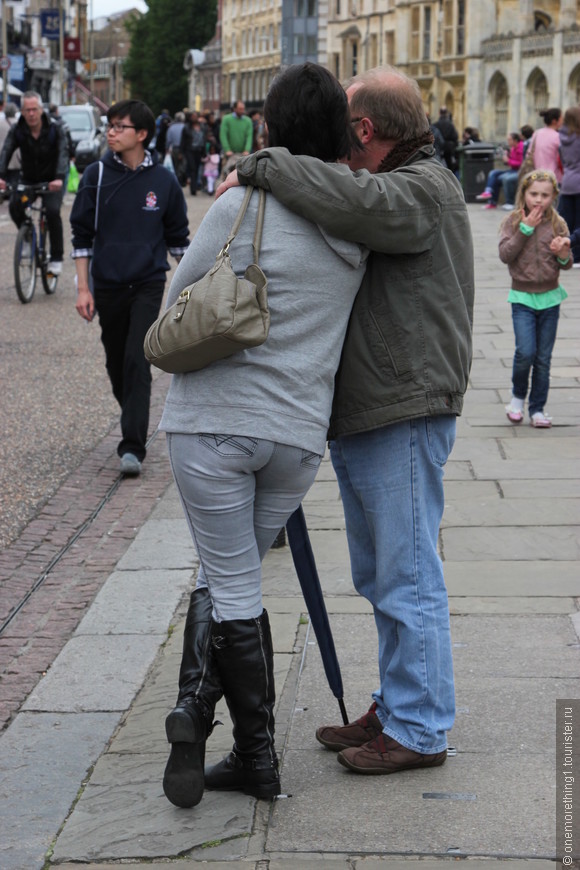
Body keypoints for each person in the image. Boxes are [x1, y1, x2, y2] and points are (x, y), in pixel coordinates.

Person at [220, 64, 474, 776]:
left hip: (404, 407)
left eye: (343, 125)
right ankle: (398, 704)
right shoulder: (409, 183)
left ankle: (421, 727)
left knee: (407, 575)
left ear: (362, 130)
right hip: (381, 407)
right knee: (382, 574)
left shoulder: (423, 187)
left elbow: (354, 201)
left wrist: (264, 161)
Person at [158, 62, 368, 809]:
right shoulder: (356, 222)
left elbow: (176, 301)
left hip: (214, 423)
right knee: (228, 576)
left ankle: (254, 757)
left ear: (270, 126)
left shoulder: (242, 204)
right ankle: (196, 712)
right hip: (297, 438)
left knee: (234, 584)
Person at [71, 99, 189, 477]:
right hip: (107, 284)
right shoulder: (95, 176)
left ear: (141, 134)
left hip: (147, 284)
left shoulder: (164, 181)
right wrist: (83, 289)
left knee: (138, 359)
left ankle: (132, 446)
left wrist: (194, 286)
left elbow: (178, 241)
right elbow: (82, 237)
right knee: (115, 362)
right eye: (109, 125)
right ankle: (133, 417)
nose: (111, 132)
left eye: (119, 126)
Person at [501, 170, 571, 428]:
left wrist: (563, 253)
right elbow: (505, 254)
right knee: (525, 352)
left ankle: (538, 409)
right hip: (522, 298)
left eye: (545, 195)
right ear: (524, 194)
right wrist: (524, 229)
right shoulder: (512, 221)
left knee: (543, 358)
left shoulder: (557, 223)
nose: (539, 200)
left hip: (551, 299)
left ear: (553, 196)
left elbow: (566, 264)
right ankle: (517, 398)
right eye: (534, 194)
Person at [0, 91, 68, 274]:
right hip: (28, 178)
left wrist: (59, 178)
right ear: (22, 111)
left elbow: (63, 153)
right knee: (15, 204)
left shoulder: (55, 129)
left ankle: (56, 257)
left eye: (34, 109)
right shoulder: (18, 130)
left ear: (41, 109)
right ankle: (28, 238)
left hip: (52, 179)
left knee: (53, 212)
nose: (31, 114)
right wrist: (1, 175)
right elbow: (6, 150)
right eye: (27, 110)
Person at [476, 132, 523, 210]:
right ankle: (489, 194)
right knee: (493, 173)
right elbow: (510, 162)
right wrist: (506, 157)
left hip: (518, 171)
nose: (508, 141)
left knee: (505, 178)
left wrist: (508, 161)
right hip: (512, 170)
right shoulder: (512, 148)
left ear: (515, 140)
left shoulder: (521, 147)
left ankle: (509, 202)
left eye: (509, 140)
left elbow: (521, 163)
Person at [558, 106, 580, 267]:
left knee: (568, 222)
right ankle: (578, 256)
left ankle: (567, 253)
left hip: (567, 182)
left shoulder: (562, 137)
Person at [219, 99, 253, 181]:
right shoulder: (227, 119)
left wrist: (247, 149)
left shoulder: (248, 121)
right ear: (234, 109)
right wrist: (227, 149)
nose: (242, 111)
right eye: (240, 109)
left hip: (242, 153)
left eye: (243, 109)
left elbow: (249, 136)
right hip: (230, 153)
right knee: (226, 172)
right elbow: (223, 135)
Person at [529, 107, 563, 182]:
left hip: (537, 175)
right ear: (555, 121)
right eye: (561, 118)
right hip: (554, 177)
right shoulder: (558, 137)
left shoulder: (536, 133)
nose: (562, 120)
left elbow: (529, 153)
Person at [181, 113, 206, 195]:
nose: (194, 118)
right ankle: (193, 188)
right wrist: (182, 152)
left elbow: (204, 139)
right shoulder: (186, 127)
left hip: (199, 150)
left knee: (197, 168)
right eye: (193, 117)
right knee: (193, 168)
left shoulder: (202, 127)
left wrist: (204, 151)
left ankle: (195, 185)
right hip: (190, 150)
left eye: (196, 116)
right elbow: (183, 141)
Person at [0, 103, 21, 188]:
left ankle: (4, 193)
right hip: (16, 155)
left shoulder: (1, 123)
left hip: (2, 154)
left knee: (3, 177)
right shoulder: (19, 123)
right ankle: (14, 193)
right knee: (15, 178)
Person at [433, 106, 459, 174]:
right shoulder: (450, 125)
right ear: (446, 113)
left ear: (439, 113)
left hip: (438, 150)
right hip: (449, 150)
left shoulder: (435, 125)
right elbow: (455, 137)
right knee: (450, 170)